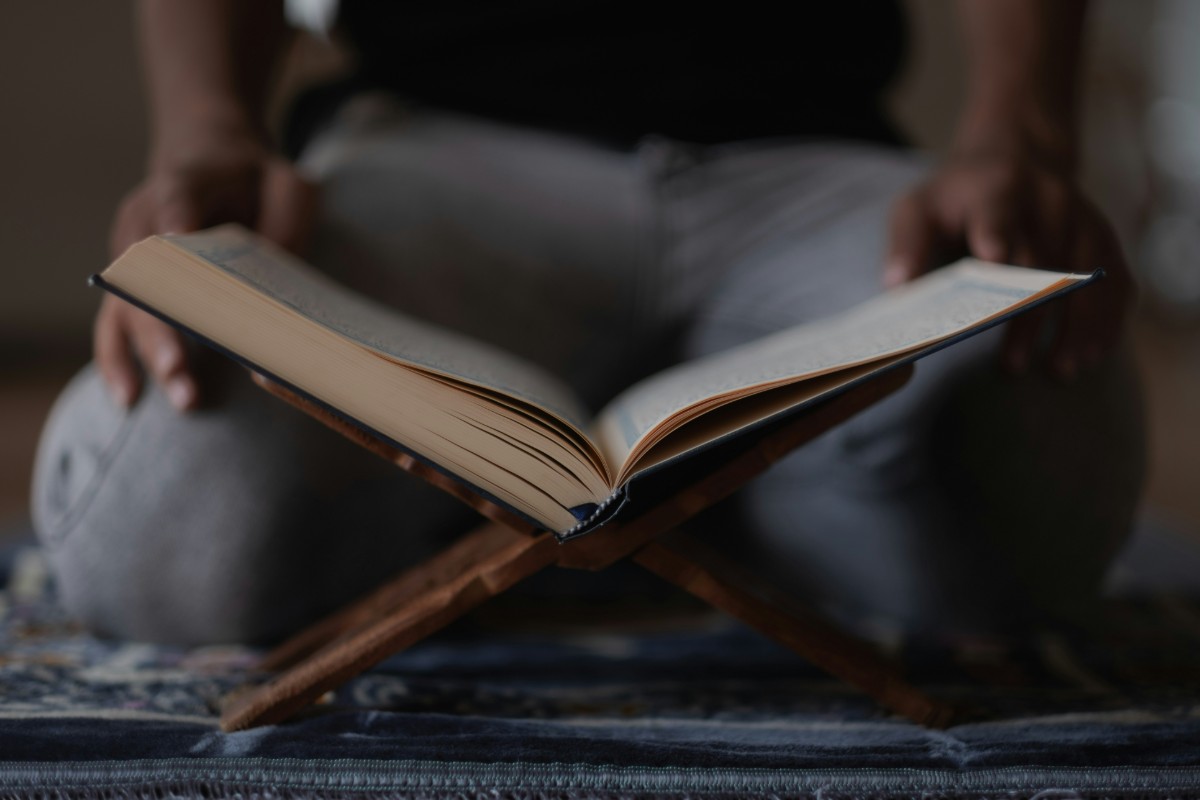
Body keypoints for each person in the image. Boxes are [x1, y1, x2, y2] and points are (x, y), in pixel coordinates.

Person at [32, 0, 1144, 645]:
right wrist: (206, 129)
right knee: (184, 529)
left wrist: (1020, 135)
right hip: (438, 162)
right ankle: (617, 491)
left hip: (813, 172)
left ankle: (692, 487)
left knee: (1015, 505)